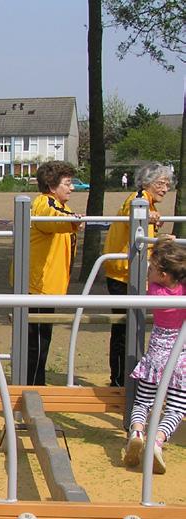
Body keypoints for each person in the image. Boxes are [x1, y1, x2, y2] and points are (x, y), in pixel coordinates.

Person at [103, 162, 173, 386]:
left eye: (168, 184)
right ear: (147, 182)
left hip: (128, 271)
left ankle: (125, 377)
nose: (165, 188)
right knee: (125, 328)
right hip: (123, 273)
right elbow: (131, 208)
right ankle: (121, 379)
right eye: (161, 183)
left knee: (130, 327)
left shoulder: (148, 203)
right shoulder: (139, 198)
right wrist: (145, 212)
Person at [122, 237, 185, 474]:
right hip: (181, 361)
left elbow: (157, 271)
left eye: (151, 269)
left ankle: (137, 431)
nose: (148, 272)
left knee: (143, 402)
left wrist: (160, 242)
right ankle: (157, 441)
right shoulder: (182, 291)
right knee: (177, 408)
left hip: (156, 357)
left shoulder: (155, 291)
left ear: (163, 275)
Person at [25, 161, 82, 385]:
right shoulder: (44, 203)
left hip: (49, 283)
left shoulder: (60, 205)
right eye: (67, 183)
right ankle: (32, 384)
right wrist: (74, 220)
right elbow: (53, 219)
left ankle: (36, 381)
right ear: (52, 185)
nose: (72, 188)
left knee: (43, 337)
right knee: (37, 339)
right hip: (39, 284)